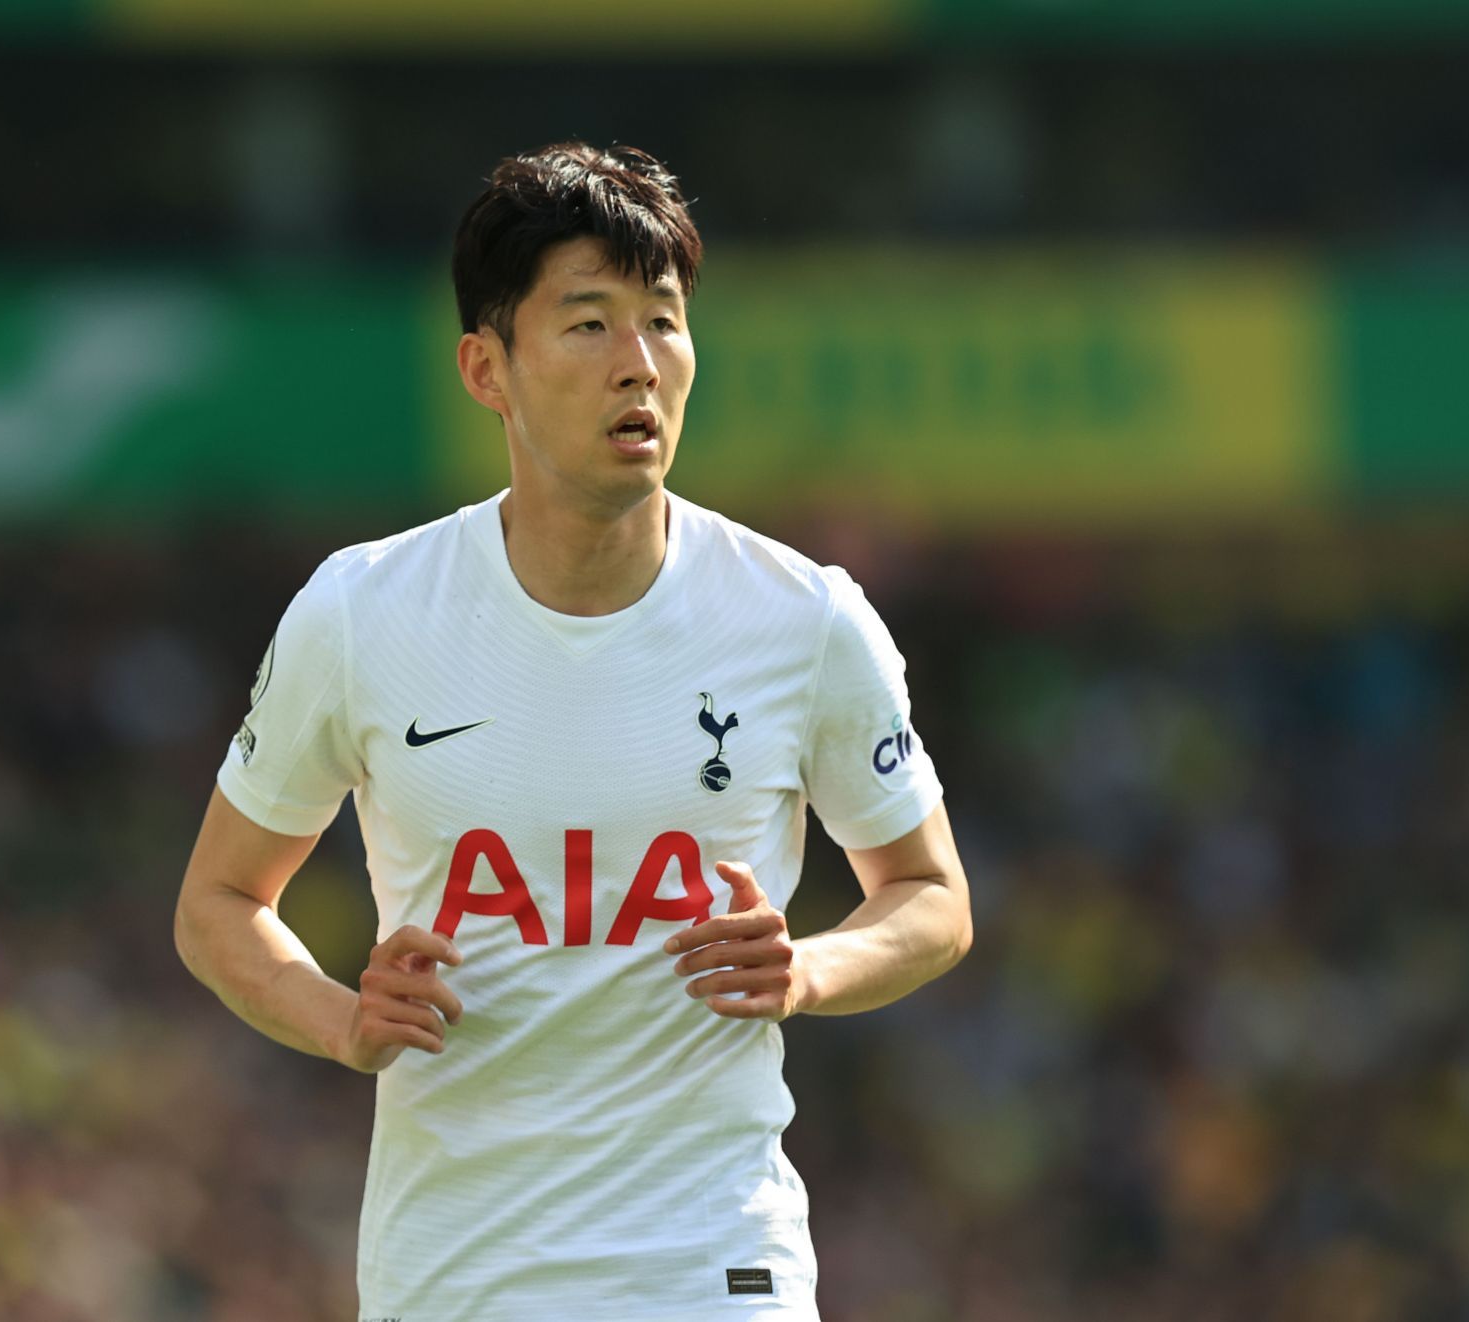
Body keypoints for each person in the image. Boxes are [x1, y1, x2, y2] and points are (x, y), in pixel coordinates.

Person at [174, 141, 974, 1322]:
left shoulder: (803, 618)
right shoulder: (361, 613)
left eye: (664, 321)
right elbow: (217, 903)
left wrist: (810, 968)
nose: (639, 365)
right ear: (486, 367)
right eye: (590, 324)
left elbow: (931, 894)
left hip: (715, 1265)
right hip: (457, 1271)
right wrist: (341, 1017)